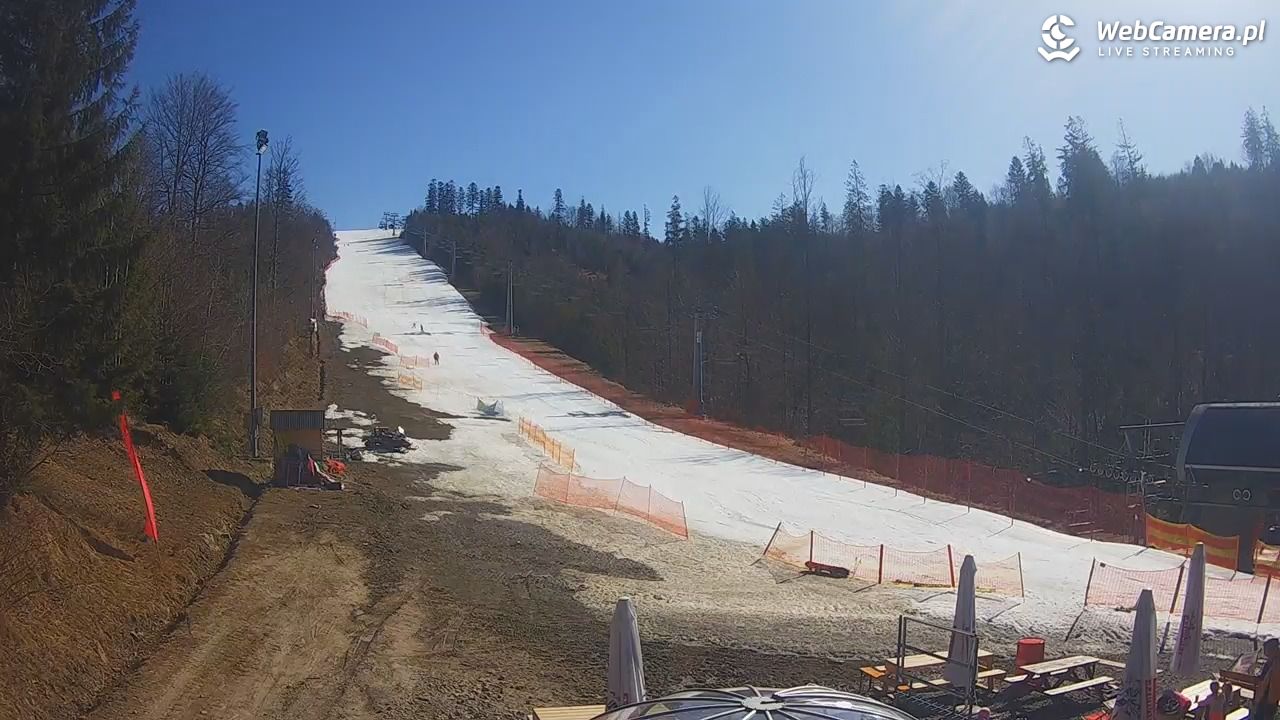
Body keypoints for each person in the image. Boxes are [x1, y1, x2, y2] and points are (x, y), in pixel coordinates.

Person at [1252, 639, 1280, 720]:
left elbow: (1271, 680)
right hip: (1266, 696)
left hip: (1269, 697)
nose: (1265, 653)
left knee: (1265, 715)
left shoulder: (1276, 662)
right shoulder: (1271, 660)